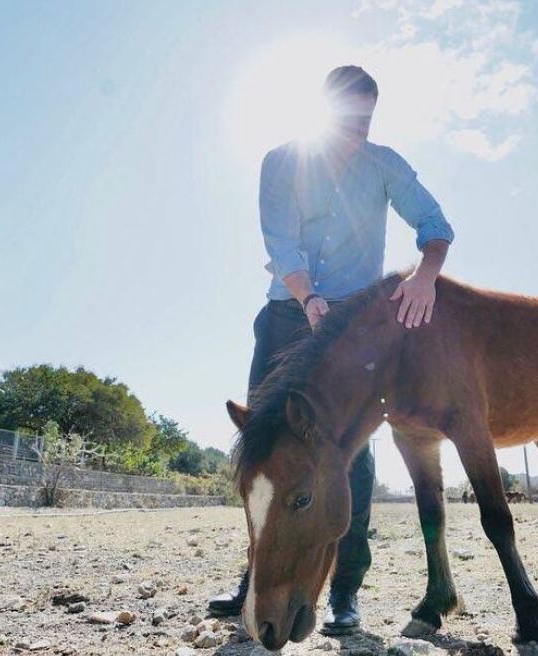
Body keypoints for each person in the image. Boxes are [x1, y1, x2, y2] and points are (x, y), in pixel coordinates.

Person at [207, 65, 455, 636]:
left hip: (351, 330)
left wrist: (427, 276)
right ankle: (256, 581)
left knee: (350, 456)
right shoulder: (281, 162)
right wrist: (308, 296)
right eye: (346, 118)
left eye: (365, 120)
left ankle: (345, 590)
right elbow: (281, 240)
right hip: (287, 311)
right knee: (268, 455)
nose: (355, 132)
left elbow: (435, 223)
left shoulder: (384, 164)